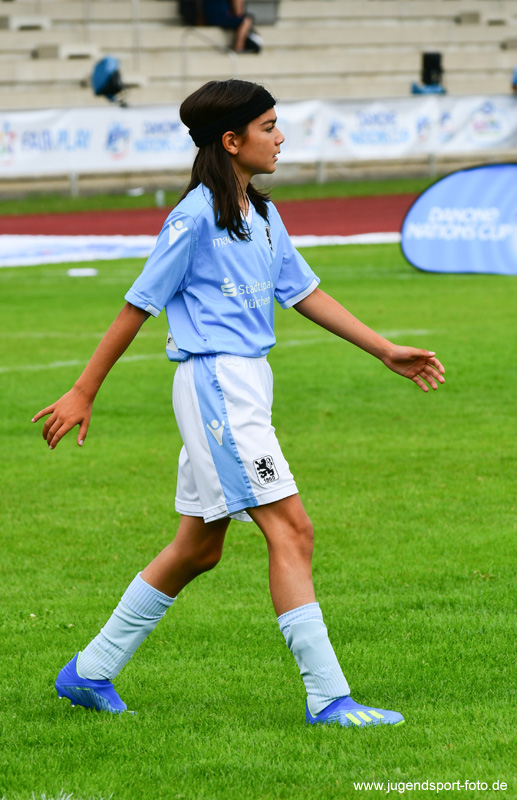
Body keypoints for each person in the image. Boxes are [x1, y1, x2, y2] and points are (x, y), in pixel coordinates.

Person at [32, 79, 445, 728]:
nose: (280, 138)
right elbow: (138, 304)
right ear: (231, 140)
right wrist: (83, 390)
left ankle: (89, 672)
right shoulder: (193, 217)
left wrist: (384, 349)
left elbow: (303, 292)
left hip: (243, 385)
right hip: (216, 386)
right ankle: (329, 699)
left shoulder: (264, 215)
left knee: (199, 549)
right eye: (269, 127)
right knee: (293, 530)